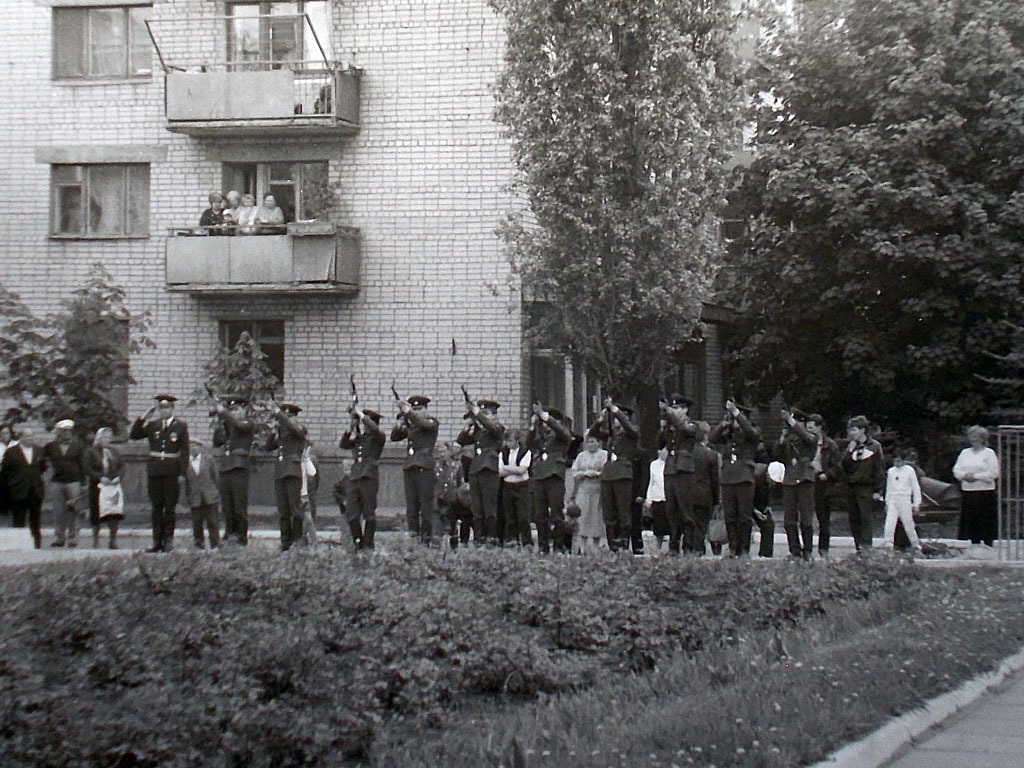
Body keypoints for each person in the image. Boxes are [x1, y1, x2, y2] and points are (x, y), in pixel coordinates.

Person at [130, 394, 189, 553]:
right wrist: (145, 416)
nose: (164, 411)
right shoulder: (153, 425)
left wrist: (182, 473)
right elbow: (134, 435)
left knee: (169, 507)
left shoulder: (180, 426)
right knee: (156, 507)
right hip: (155, 471)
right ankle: (157, 541)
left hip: (172, 472)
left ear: (172, 409)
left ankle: (168, 540)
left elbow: (185, 451)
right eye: (161, 408)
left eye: (167, 407)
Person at [710, 400, 762, 557]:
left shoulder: (752, 433)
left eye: (737, 418)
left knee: (744, 516)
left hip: (744, 477)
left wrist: (737, 414)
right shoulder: (728, 435)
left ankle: (744, 548)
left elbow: (752, 433)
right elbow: (712, 438)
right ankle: (733, 547)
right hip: (727, 478)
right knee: (730, 516)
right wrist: (723, 424)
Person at [593, 399, 641, 552]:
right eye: (614, 420)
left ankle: (624, 543)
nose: (617, 424)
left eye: (619, 420)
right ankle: (612, 544)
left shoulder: (632, 434)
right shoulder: (611, 437)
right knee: (609, 512)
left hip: (623, 475)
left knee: (623, 511)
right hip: (608, 475)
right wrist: (601, 420)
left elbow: (629, 427)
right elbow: (593, 433)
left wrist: (614, 410)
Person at [391, 394, 440, 543]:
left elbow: (421, 423)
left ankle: (426, 539)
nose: (416, 411)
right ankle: (413, 537)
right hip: (410, 466)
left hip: (424, 466)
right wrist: (400, 423)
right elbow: (395, 436)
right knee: (412, 507)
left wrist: (408, 411)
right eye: (414, 409)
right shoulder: (412, 426)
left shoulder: (431, 422)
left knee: (425, 506)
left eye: (419, 409)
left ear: (426, 410)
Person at [457, 399, 506, 546]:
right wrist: (468, 427)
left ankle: (490, 538)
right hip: (476, 469)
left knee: (489, 509)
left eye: (486, 413)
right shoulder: (478, 431)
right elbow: (461, 440)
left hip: (489, 469)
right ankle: (478, 539)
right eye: (482, 413)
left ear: (494, 415)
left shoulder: (497, 428)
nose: (482, 417)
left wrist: (477, 413)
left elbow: (490, 426)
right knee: (476, 509)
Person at [528, 403, 574, 553]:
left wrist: (545, 416)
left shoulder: (561, 434)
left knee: (556, 513)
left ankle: (559, 546)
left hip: (554, 474)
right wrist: (533, 426)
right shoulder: (540, 436)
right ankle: (543, 546)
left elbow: (564, 434)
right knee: (539, 514)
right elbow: (528, 444)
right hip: (539, 475)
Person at [774, 407, 819, 561]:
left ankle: (808, 550)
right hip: (790, 478)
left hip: (805, 477)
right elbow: (776, 454)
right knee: (789, 519)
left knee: (806, 518)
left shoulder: (811, 437)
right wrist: (782, 439)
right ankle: (795, 550)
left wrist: (792, 422)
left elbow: (807, 439)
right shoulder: (788, 438)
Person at [340, 406, 386, 550]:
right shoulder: (360, 438)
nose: (364, 426)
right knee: (352, 514)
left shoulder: (378, 437)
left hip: (368, 476)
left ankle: (368, 544)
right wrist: (351, 427)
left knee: (369, 514)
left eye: (367, 423)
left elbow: (374, 429)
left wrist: (361, 414)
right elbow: (344, 444)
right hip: (355, 477)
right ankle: (358, 542)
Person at [211, 395, 255, 546]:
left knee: (239, 505)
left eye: (236, 409)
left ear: (244, 410)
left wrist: (224, 413)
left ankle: (241, 536)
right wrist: (219, 422)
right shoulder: (228, 426)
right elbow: (217, 442)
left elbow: (239, 426)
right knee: (227, 505)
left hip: (239, 466)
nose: (234, 413)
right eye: (231, 410)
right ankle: (229, 533)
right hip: (226, 466)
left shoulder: (248, 424)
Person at [658, 394, 698, 555]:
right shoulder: (671, 426)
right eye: (673, 408)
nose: (675, 412)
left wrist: (669, 412)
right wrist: (663, 427)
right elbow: (660, 443)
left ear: (685, 410)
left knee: (685, 510)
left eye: (678, 408)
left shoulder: (691, 424)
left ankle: (688, 545)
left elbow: (685, 428)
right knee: (672, 510)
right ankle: (673, 545)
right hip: (671, 468)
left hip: (683, 468)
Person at [265, 401, 308, 551]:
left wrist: (279, 414)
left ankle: (297, 539)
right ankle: (285, 541)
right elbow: (268, 448)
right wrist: (273, 432)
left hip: (293, 471)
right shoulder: (282, 434)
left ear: (295, 417)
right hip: (281, 471)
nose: (287, 420)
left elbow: (294, 429)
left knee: (295, 508)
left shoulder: (299, 429)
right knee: (283, 510)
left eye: (290, 417)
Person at [841, 414, 885, 552]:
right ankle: (858, 546)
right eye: (850, 430)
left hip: (866, 486)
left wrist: (879, 490)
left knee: (865, 517)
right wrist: (849, 451)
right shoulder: (851, 447)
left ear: (862, 430)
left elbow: (879, 469)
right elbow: (843, 466)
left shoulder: (875, 447)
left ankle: (866, 548)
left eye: (854, 430)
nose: (851, 433)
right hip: (852, 486)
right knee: (853, 518)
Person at [952, 425, 1000, 548]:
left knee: (985, 516)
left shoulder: (989, 453)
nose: (972, 439)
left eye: (975, 436)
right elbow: (956, 469)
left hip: (985, 491)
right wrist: (964, 475)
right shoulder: (964, 453)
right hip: (968, 490)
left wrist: (976, 476)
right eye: (971, 436)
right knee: (971, 516)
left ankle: (988, 541)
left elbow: (994, 472)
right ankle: (974, 541)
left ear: (982, 438)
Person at [43, 419, 86, 548]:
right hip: (57, 482)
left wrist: (83, 483)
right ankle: (59, 537)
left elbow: (83, 465)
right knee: (58, 511)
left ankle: (72, 537)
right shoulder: (50, 446)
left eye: (69, 431)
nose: (67, 433)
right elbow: (44, 461)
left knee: (74, 510)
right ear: (58, 432)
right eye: (64, 431)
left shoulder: (78, 446)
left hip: (74, 481)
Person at [0, 424, 45, 548]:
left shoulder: (39, 450)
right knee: (19, 519)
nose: (31, 438)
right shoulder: (11, 452)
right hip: (18, 491)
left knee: (35, 520)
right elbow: (5, 472)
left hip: (35, 490)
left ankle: (37, 545)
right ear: (21, 437)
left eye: (33, 436)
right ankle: (19, 545)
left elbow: (42, 468)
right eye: (28, 436)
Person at [83, 427, 124, 549]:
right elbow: (87, 468)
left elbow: (122, 466)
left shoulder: (114, 452)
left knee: (114, 512)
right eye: (105, 437)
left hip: (113, 486)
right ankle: (96, 540)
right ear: (99, 438)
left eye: (109, 438)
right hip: (98, 486)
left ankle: (113, 540)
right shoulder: (90, 451)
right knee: (96, 511)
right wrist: (100, 477)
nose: (107, 440)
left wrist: (119, 477)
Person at [807, 413, 841, 559]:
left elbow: (837, 466)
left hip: (822, 482)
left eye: (812, 428)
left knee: (823, 518)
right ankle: (806, 549)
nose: (809, 431)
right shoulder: (803, 443)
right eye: (807, 428)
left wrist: (827, 474)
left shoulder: (830, 445)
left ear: (820, 428)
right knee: (805, 518)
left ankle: (823, 549)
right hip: (806, 481)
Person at [568, 431, 607, 554]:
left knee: (596, 516)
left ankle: (596, 545)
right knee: (583, 516)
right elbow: (574, 471)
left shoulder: (604, 455)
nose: (590, 445)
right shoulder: (581, 456)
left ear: (599, 443)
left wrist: (597, 474)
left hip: (598, 489)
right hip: (583, 489)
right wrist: (584, 474)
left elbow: (608, 471)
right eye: (588, 442)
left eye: (593, 442)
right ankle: (583, 545)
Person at [883, 447, 922, 554]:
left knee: (908, 524)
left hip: (905, 499)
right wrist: (887, 502)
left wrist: (916, 504)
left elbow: (915, 488)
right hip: (893, 500)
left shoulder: (909, 471)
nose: (896, 463)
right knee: (889, 523)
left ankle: (916, 545)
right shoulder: (891, 471)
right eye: (894, 461)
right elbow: (888, 487)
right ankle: (889, 545)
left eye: (899, 461)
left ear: (904, 460)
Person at [498, 428, 532, 548]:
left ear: (517, 440)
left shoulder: (525, 452)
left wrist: (507, 468)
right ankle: (512, 540)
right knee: (510, 516)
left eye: (511, 440)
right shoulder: (503, 452)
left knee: (523, 517)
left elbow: (522, 470)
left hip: (522, 486)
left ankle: (527, 542)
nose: (508, 444)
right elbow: (500, 472)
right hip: (507, 486)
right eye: (507, 441)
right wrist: (514, 469)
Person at [185, 438, 221, 550]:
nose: (194, 448)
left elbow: (216, 477)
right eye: (191, 446)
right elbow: (186, 483)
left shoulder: (208, 460)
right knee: (197, 523)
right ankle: (198, 545)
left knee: (213, 521)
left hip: (209, 496)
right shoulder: (185, 463)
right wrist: (188, 497)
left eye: (197, 446)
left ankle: (215, 544)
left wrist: (216, 493)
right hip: (195, 497)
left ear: (201, 448)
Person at [691, 421, 721, 556]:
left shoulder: (687, 452)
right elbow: (715, 480)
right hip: (705, 494)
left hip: (687, 493)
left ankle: (690, 549)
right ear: (705, 436)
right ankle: (698, 550)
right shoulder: (711, 455)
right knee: (701, 525)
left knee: (690, 524)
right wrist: (716, 499)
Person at [644, 446, 669, 556]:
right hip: (657, 497)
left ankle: (672, 549)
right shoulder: (653, 465)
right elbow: (651, 482)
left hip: (669, 498)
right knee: (658, 527)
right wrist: (649, 498)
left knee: (672, 525)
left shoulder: (672, 463)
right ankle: (657, 550)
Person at [0, 423, 12, 523]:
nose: (5, 435)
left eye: (7, 433)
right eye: (3, 433)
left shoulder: (15, 445)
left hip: (13, 477)